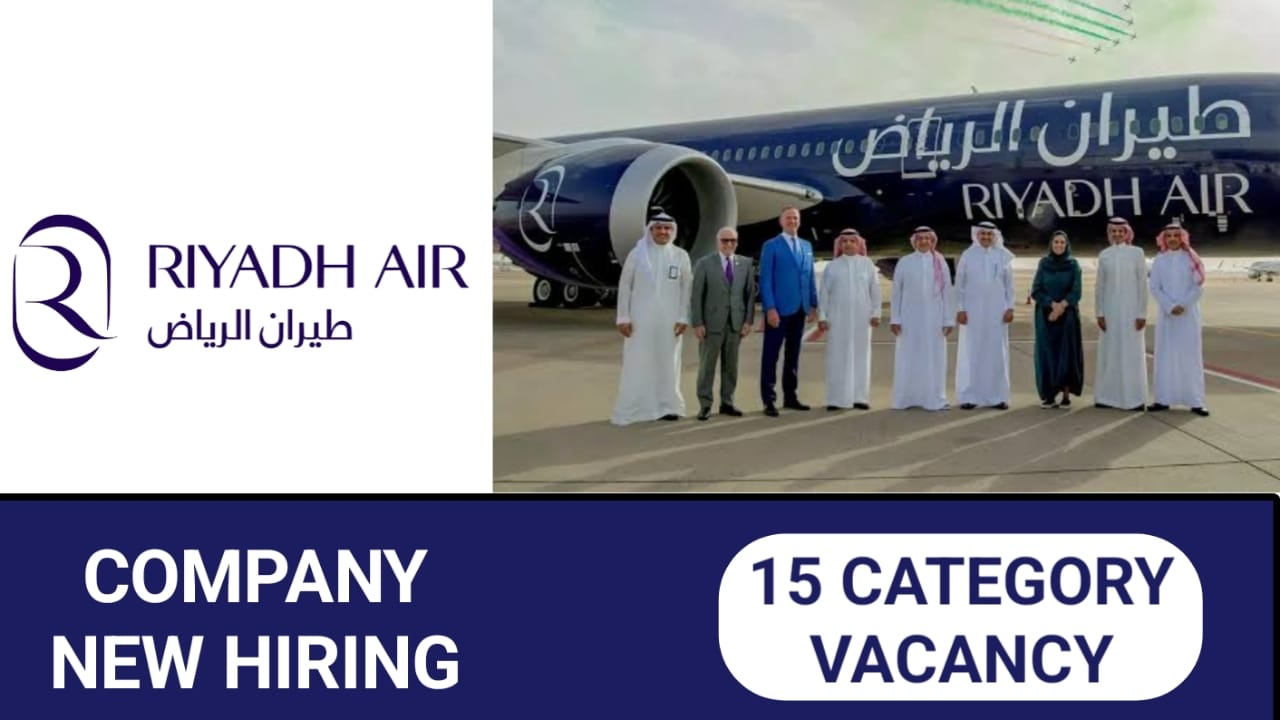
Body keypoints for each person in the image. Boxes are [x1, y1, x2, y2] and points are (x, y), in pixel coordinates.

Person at [610, 211, 693, 425]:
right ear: (651, 230)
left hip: (670, 322)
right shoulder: (637, 254)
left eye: (667, 228)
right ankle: (638, 407)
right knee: (639, 362)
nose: (663, 232)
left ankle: (668, 407)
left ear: (673, 231)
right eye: (658, 228)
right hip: (640, 320)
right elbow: (625, 286)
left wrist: (683, 316)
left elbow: (686, 289)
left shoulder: (680, 256)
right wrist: (623, 317)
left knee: (668, 363)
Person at [690, 227, 755, 420]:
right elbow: (696, 295)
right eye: (725, 240)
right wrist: (698, 322)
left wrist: (748, 320)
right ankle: (705, 405)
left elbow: (749, 295)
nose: (729, 244)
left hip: (735, 324)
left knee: (731, 367)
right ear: (717, 242)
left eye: (733, 240)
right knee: (707, 367)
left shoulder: (745, 264)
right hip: (711, 324)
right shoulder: (704, 263)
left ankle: (727, 402)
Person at [758, 206, 818, 416]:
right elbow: (765, 280)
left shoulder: (806, 246)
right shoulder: (771, 246)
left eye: (795, 218)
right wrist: (770, 308)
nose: (792, 221)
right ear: (781, 221)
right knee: (771, 356)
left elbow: (809, 276)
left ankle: (790, 396)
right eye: (788, 218)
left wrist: (813, 304)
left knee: (793, 356)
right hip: (779, 310)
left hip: (800, 309)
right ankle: (769, 400)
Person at [1148, 220, 1209, 416]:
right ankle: (1162, 400)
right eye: (1169, 236)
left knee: (1190, 357)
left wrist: (1183, 304)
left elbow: (1198, 287)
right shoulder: (1160, 260)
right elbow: (1154, 287)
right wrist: (1169, 305)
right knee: (1165, 357)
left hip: (1188, 315)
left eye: (1176, 236)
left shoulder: (1191, 258)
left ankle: (1196, 401)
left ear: (1182, 238)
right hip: (1167, 316)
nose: (1172, 239)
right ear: (1164, 239)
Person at [890, 226, 953, 411]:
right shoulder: (905, 262)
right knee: (908, 357)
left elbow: (947, 292)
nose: (924, 242)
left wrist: (948, 319)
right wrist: (895, 318)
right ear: (914, 241)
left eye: (927, 238)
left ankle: (933, 398)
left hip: (935, 318)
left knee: (934, 358)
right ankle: (906, 398)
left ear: (932, 241)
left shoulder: (940, 262)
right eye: (920, 238)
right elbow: (897, 292)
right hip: (909, 318)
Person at [954, 220, 1015, 410]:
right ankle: (969, 396)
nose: (986, 237)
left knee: (996, 353)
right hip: (972, 312)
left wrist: (1010, 308)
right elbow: (959, 284)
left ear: (994, 237)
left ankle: (998, 397)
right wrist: (960, 309)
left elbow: (1009, 285)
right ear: (977, 235)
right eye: (983, 234)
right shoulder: (967, 255)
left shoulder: (1003, 256)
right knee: (972, 352)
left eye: (989, 234)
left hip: (997, 313)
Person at [818, 229, 881, 410]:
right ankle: (835, 399)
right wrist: (822, 316)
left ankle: (860, 397)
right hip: (837, 319)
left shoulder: (867, 264)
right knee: (837, 358)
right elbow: (824, 294)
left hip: (862, 319)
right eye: (844, 241)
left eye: (852, 241)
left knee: (861, 357)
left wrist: (876, 313)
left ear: (858, 244)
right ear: (840, 244)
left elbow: (875, 291)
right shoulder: (832, 266)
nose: (848, 244)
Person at [1093, 217, 1149, 411]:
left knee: (1132, 354)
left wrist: (1142, 313)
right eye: (1113, 231)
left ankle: (1135, 399)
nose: (1117, 234)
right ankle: (1107, 397)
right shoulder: (1104, 255)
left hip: (1132, 312)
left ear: (1127, 233)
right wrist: (1099, 312)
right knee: (1109, 353)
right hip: (1109, 312)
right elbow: (1100, 286)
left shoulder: (1137, 253)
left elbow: (1142, 285)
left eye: (1120, 231)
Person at [1031, 230, 1085, 408]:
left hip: (1067, 316)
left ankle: (1066, 395)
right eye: (1056, 242)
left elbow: (1076, 291)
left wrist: (1061, 306)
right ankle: (1049, 395)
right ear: (1051, 245)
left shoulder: (1073, 265)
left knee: (1067, 354)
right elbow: (1036, 290)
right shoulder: (1044, 264)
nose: (1059, 245)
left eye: (1062, 242)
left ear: (1066, 245)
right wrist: (1051, 304)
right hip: (1045, 316)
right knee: (1047, 354)